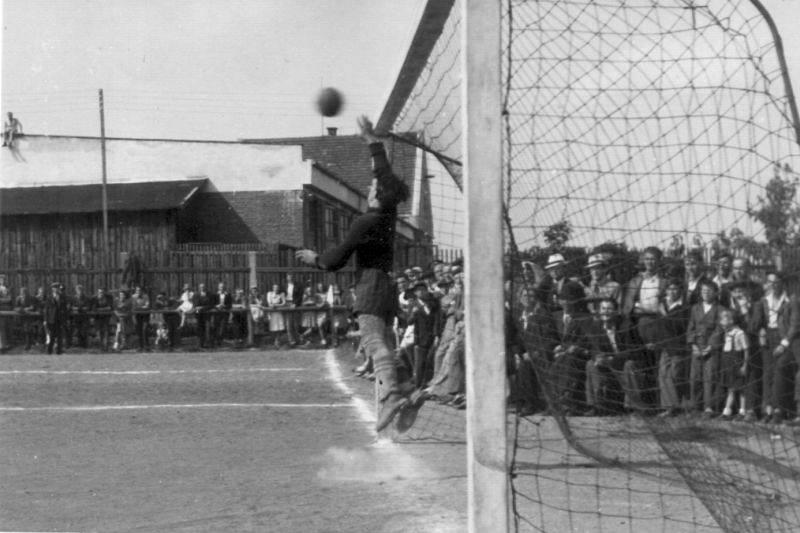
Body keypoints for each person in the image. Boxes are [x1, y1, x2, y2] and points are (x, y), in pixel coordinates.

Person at [295, 114, 413, 433]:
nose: (369, 186)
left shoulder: (366, 222)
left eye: (372, 186)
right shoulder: (388, 215)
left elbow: (336, 259)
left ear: (378, 195)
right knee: (385, 340)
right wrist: (372, 143)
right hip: (387, 283)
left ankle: (390, 394)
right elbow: (385, 175)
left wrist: (314, 258)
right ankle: (406, 386)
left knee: (373, 340)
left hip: (371, 284)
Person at [760, 272, 800, 424]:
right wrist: (761, 330)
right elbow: (762, 320)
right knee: (767, 373)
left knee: (781, 368)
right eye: (770, 282)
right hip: (768, 337)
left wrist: (784, 344)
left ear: (782, 283)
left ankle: (778, 409)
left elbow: (795, 325)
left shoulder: (791, 299)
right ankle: (767, 409)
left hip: (787, 340)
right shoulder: (765, 300)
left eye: (776, 282)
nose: (773, 285)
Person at [687, 279, 724, 417]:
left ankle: (709, 407)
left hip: (711, 348)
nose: (706, 293)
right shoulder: (695, 308)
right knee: (695, 377)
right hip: (697, 347)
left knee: (710, 377)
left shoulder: (720, 309)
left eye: (709, 291)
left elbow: (719, 330)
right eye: (703, 291)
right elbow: (691, 327)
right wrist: (693, 345)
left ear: (715, 293)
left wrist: (710, 347)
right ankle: (696, 406)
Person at [656, 278, 690, 417]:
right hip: (665, 345)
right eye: (669, 289)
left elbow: (680, 327)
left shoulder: (684, 307)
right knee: (663, 374)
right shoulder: (663, 305)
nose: (672, 291)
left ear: (680, 290)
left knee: (675, 374)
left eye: (675, 289)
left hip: (679, 346)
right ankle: (669, 407)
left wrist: (665, 316)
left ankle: (678, 405)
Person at [718, 308, 750, 420]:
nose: (721, 323)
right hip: (728, 363)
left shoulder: (740, 333)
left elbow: (746, 350)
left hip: (737, 362)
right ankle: (727, 411)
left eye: (723, 320)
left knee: (741, 388)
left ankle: (742, 411)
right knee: (731, 388)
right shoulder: (727, 333)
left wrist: (744, 366)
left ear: (731, 320)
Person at [42, 282, 69, 355]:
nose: (56, 289)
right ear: (52, 289)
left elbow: (65, 309)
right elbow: (46, 310)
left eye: (57, 287)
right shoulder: (49, 297)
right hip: (51, 319)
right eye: (55, 288)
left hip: (60, 319)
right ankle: (49, 351)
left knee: (60, 336)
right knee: (51, 336)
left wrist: (65, 319)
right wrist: (45, 320)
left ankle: (59, 351)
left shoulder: (62, 297)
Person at [13, 287, 39, 351]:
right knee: (24, 330)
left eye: (24, 292)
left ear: (27, 292)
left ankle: (28, 345)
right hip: (21, 317)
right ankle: (26, 343)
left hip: (29, 317)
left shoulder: (31, 298)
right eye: (22, 292)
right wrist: (21, 310)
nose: (23, 294)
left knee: (28, 330)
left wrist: (27, 309)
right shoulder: (18, 298)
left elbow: (33, 306)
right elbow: (15, 307)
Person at [91, 288, 114, 352]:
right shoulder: (95, 298)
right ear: (98, 292)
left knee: (106, 332)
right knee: (99, 332)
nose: (101, 293)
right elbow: (94, 308)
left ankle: (106, 347)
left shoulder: (109, 298)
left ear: (105, 292)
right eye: (100, 292)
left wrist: (99, 309)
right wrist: (104, 308)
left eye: (103, 292)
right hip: (97, 318)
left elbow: (110, 307)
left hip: (106, 317)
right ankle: (101, 347)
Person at [70, 284, 91, 349]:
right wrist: (79, 309)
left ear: (83, 290)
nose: (79, 291)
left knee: (84, 330)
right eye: (78, 290)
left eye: (81, 290)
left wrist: (80, 308)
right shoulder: (74, 298)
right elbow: (72, 307)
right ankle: (79, 344)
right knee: (78, 330)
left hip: (84, 317)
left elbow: (88, 307)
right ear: (76, 291)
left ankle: (84, 344)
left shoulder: (86, 298)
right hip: (77, 316)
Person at [211, 281, 232, 347]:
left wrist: (224, 306)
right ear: (218, 287)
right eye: (220, 287)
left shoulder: (228, 295)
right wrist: (217, 306)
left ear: (224, 287)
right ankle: (215, 342)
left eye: (222, 287)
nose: (221, 288)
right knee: (215, 327)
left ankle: (219, 341)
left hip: (225, 313)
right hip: (216, 313)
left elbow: (230, 305)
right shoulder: (215, 295)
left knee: (222, 328)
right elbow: (212, 304)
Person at [131, 286, 150, 351]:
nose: (138, 291)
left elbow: (147, 306)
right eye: (137, 290)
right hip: (137, 315)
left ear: (142, 291)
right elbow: (134, 307)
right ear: (135, 291)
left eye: (140, 290)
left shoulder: (146, 296)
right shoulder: (133, 297)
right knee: (138, 331)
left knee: (145, 330)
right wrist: (142, 307)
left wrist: (139, 308)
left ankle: (147, 346)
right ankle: (140, 346)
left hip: (145, 315)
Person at [194, 283, 213, 349]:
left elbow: (211, 305)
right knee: (199, 329)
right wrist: (197, 308)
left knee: (207, 329)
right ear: (199, 288)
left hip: (207, 314)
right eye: (201, 287)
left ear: (205, 287)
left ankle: (207, 344)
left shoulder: (209, 294)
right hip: (198, 314)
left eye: (203, 287)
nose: (202, 288)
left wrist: (202, 307)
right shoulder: (196, 294)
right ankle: (199, 344)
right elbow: (194, 305)